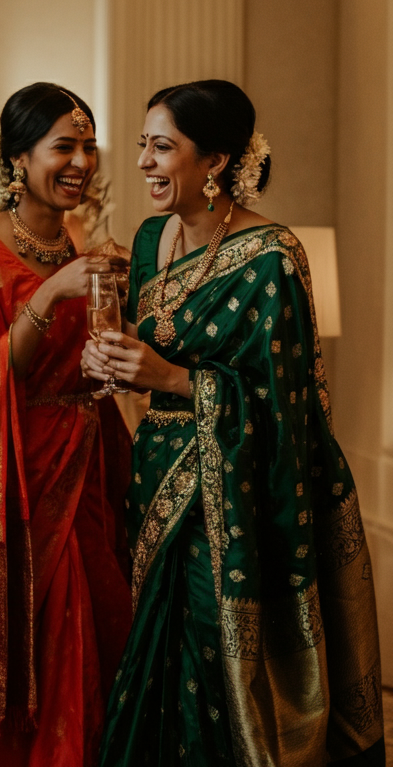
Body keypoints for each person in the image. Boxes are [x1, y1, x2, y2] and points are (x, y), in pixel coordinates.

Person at [84, 79, 386, 766]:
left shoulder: (273, 258)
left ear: (214, 161)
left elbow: (288, 408)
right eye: (142, 146)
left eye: (162, 148)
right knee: (153, 655)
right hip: (155, 481)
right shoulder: (150, 238)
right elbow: (151, 341)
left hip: (233, 501)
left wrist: (166, 378)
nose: (143, 164)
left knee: (208, 657)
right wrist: (111, 357)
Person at [0, 83, 134, 767]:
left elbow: (99, 358)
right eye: (63, 147)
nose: (81, 160)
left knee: (96, 622)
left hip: (88, 463)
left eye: (88, 145)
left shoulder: (86, 246)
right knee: (29, 635)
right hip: (11, 473)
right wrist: (50, 293)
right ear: (19, 160)